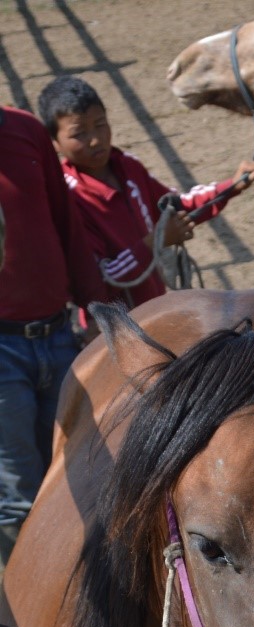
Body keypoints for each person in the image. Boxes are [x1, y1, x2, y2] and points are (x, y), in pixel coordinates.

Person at [37, 76, 254, 307]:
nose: (95, 140)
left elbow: (175, 205)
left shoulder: (128, 167)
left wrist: (231, 186)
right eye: (78, 134)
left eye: (100, 124)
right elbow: (100, 277)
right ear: (54, 141)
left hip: (152, 307)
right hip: (116, 323)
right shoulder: (70, 199)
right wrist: (156, 240)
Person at [0, 104, 104, 569]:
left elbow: (65, 224)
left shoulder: (24, 130)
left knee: (80, 479)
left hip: (58, 335)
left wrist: (97, 308)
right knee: (18, 495)